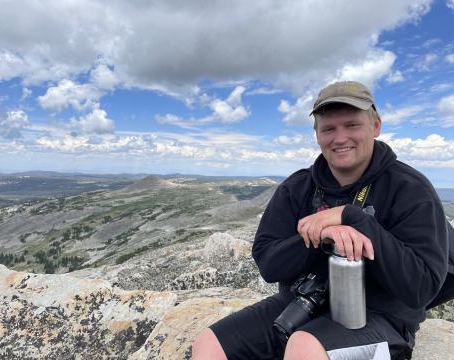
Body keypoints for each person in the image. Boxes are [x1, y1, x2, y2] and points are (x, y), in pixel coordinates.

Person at [192, 80, 449, 360]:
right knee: (208, 344)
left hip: (381, 318)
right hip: (301, 305)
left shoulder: (409, 189)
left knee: (304, 347)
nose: (340, 138)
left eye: (352, 125)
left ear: (376, 126)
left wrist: (354, 219)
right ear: (317, 135)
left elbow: (421, 288)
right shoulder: (298, 188)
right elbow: (268, 263)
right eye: (328, 128)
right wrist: (322, 238)